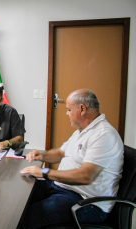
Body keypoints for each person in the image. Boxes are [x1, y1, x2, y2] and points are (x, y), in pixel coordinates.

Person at [19, 89, 124, 228]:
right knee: (18, 201)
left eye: (69, 109)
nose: (66, 113)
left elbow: (85, 176)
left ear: (82, 109)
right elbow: (61, 153)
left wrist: (44, 173)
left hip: (86, 202)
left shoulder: (103, 135)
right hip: (62, 187)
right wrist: (41, 156)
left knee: (25, 218)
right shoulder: (82, 131)